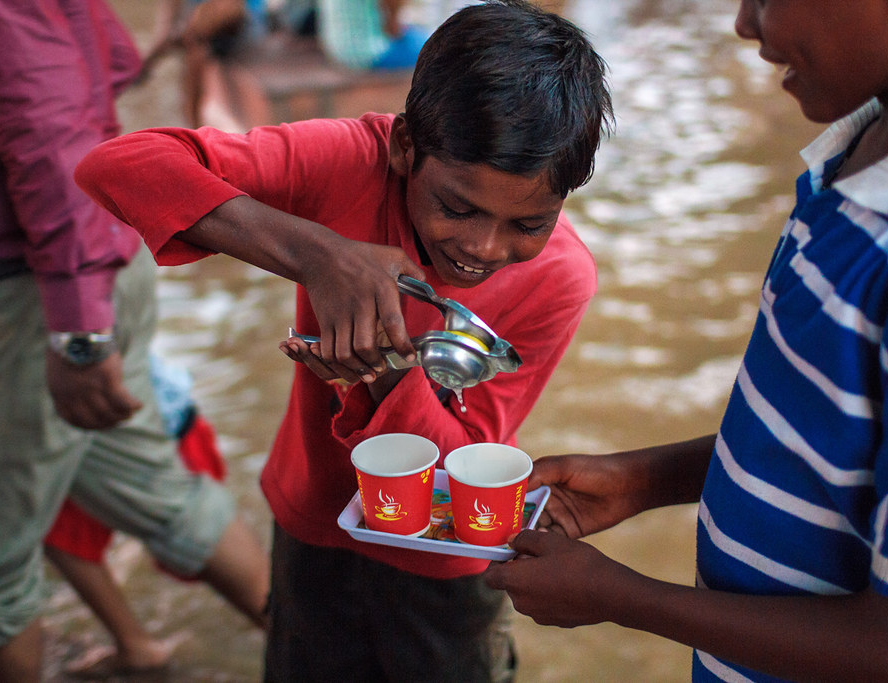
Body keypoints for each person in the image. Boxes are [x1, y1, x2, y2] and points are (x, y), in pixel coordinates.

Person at [75, 0, 613, 679]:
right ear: (404, 148)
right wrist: (318, 252)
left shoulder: (559, 277)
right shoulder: (347, 162)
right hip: (316, 520)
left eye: (526, 224)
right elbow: (118, 164)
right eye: (456, 206)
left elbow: (468, 460)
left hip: (444, 553)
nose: (482, 245)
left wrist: (385, 377)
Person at [483, 0, 888, 680]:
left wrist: (621, 596)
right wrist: (642, 479)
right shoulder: (853, 162)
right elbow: (821, 444)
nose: (744, 23)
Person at [0, 2, 268, 681]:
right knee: (158, 492)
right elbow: (111, 60)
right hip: (72, 274)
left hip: (19, 299)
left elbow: (51, 139)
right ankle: (330, 656)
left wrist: (79, 334)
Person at [43, 357, 227, 677]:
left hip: (107, 403)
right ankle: (135, 645)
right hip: (148, 405)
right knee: (56, 522)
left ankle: (136, 645)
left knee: (190, 522)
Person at [140, 0, 270, 127]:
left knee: (197, 50)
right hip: (218, 39)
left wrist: (147, 63)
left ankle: (195, 124)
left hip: (234, 37)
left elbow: (168, 33)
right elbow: (168, 32)